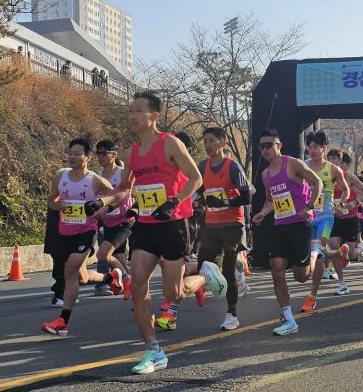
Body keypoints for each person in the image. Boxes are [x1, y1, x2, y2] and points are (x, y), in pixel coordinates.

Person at [114, 92, 228, 374]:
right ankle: (154, 351)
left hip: (174, 223)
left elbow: (196, 178)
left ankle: (204, 276)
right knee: (138, 285)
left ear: (154, 116)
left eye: (138, 110)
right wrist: (102, 203)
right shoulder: (130, 153)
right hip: (145, 225)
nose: (132, 115)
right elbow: (125, 189)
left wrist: (173, 201)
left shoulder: (170, 144)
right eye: (130, 110)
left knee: (172, 292)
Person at [41, 138, 125, 337]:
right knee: (81, 277)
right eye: (70, 153)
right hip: (64, 232)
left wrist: (101, 209)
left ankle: (63, 322)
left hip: (86, 232)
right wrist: (57, 205)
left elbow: (117, 195)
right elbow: (51, 200)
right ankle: (110, 277)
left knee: (70, 268)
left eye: (77, 153)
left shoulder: (94, 180)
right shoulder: (61, 176)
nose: (72, 157)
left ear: (87, 158)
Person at [251, 128, 323, 336]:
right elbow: (270, 200)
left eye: (269, 145)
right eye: (261, 146)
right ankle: (288, 319)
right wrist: (263, 213)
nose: (265, 150)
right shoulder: (265, 174)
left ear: (278, 146)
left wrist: (309, 205)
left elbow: (316, 182)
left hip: (300, 224)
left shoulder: (292, 164)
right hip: (280, 225)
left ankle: (315, 251)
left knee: (301, 276)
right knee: (277, 267)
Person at [197, 127, 252, 331]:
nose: (208, 145)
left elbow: (247, 197)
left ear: (223, 143)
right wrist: (198, 202)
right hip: (211, 225)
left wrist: (225, 201)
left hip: (232, 226)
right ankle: (213, 284)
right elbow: (199, 191)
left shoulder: (233, 167)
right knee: (204, 264)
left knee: (228, 270)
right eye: (205, 141)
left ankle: (232, 313)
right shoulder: (202, 166)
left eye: (212, 140)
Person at [300, 130, 350, 312]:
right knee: (313, 252)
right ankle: (338, 253)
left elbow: (346, 190)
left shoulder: (333, 169)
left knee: (317, 253)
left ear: (324, 148)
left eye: (316, 147)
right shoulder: (303, 166)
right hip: (308, 217)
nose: (312, 150)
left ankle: (312, 296)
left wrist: (341, 204)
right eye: (309, 147)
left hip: (326, 217)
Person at [327, 149, 363, 296]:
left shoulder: (348, 177)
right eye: (329, 159)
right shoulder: (324, 177)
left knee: (350, 255)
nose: (332, 162)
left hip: (350, 217)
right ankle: (342, 283)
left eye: (335, 159)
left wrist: (355, 203)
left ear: (340, 162)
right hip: (334, 218)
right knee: (333, 247)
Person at [94, 140, 133, 300]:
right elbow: (94, 197)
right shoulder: (97, 175)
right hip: (106, 221)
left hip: (124, 220)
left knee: (103, 255)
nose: (100, 157)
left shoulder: (123, 172)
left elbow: (124, 196)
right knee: (118, 257)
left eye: (104, 153)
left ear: (114, 154)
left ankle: (126, 279)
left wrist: (107, 207)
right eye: (98, 153)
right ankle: (131, 282)